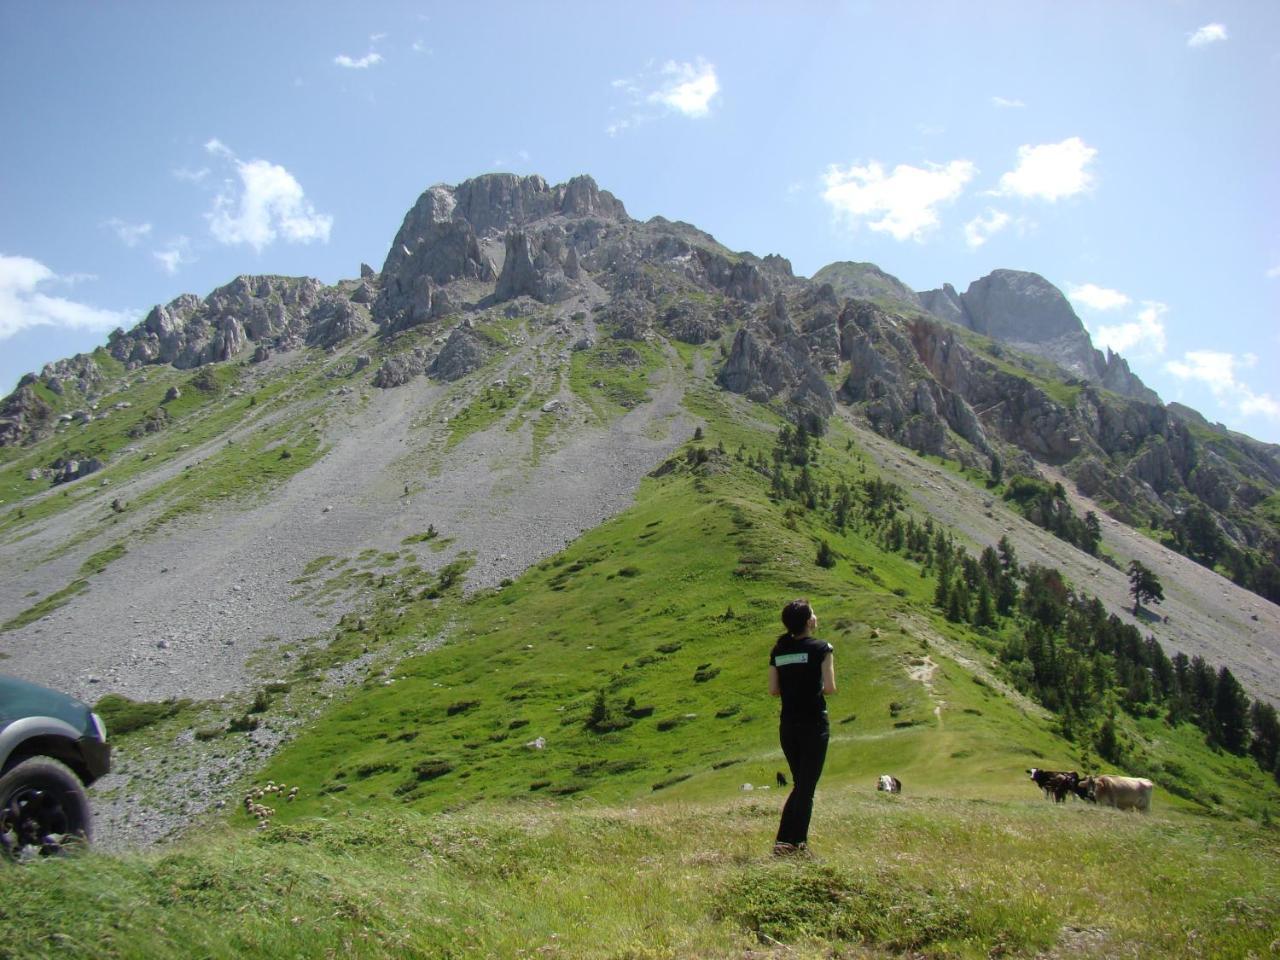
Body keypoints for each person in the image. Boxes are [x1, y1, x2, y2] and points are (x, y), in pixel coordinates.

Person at [768, 598, 835, 856]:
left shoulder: (778, 651)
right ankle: (797, 845)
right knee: (806, 788)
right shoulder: (822, 649)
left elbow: (774, 690)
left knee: (801, 784)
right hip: (814, 723)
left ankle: (784, 844)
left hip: (788, 726)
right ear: (809, 621)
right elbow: (829, 687)